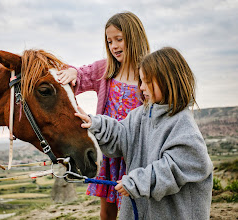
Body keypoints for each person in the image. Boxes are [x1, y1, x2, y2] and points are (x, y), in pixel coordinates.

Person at [75, 47, 213, 219]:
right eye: (140, 80)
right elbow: (121, 134)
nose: (141, 87)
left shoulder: (183, 124)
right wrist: (94, 123)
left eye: (147, 81)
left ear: (168, 81)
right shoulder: (141, 114)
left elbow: (175, 168)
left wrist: (136, 182)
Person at [57, 11, 149, 220]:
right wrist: (72, 71)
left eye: (119, 39)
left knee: (136, 207)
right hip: (109, 151)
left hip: (135, 153)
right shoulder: (104, 69)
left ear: (135, 37)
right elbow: (80, 74)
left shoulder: (148, 72)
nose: (114, 46)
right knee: (107, 208)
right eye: (109, 41)